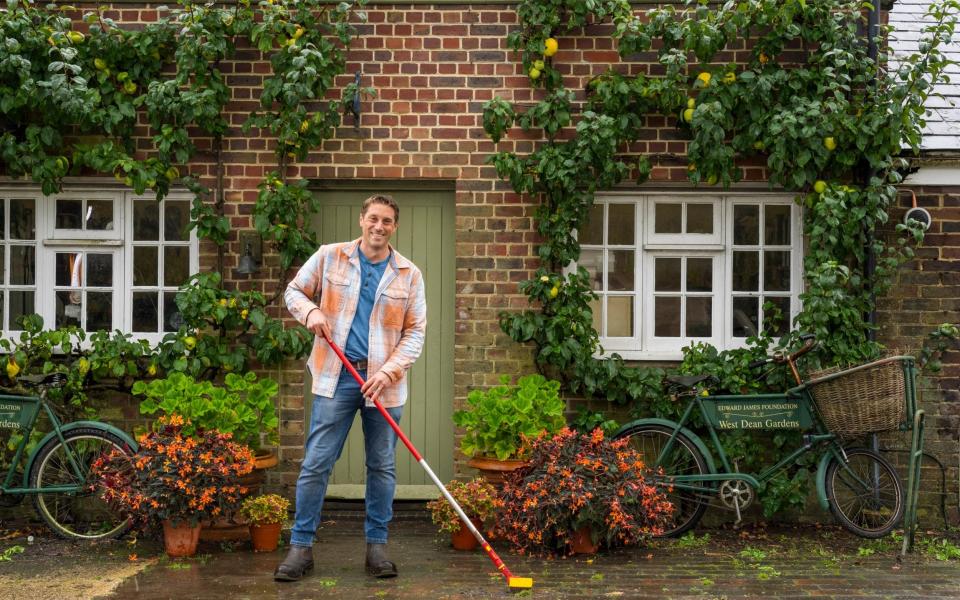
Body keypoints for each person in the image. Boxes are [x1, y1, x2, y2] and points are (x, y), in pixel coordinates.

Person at [274, 194, 426, 582]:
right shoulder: (329, 256)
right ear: (361, 220)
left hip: (383, 386)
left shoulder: (408, 273)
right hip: (336, 376)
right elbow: (293, 291)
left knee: (382, 466)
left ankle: (376, 547)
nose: (379, 227)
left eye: (387, 221)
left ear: (394, 227)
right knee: (316, 462)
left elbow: (414, 334)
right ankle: (300, 547)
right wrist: (310, 311)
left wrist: (388, 372)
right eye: (373, 219)